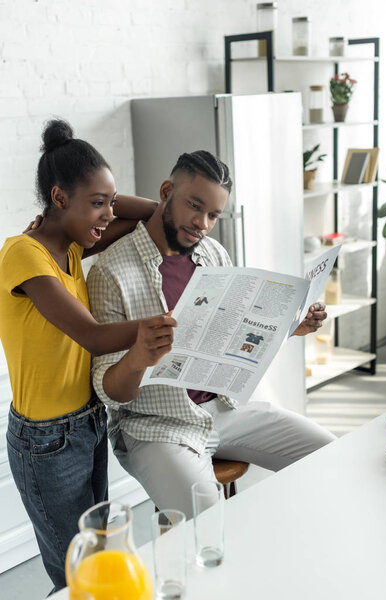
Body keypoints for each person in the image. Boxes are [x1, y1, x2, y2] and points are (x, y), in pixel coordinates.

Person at [87, 150, 336, 519]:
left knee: (332, 455)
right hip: (158, 426)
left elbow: (236, 343)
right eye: (195, 206)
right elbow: (110, 393)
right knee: (210, 525)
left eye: (214, 215)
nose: (202, 223)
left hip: (227, 410)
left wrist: (290, 328)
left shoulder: (214, 255)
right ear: (167, 191)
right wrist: (139, 357)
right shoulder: (110, 272)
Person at [0, 119, 175, 594]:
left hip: (87, 422)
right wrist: (170, 323)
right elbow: (94, 336)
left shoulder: (74, 247)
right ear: (59, 198)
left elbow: (150, 213)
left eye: (108, 203)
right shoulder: (23, 253)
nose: (106, 214)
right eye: (97, 204)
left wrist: (104, 199)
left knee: (96, 554)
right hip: (46, 443)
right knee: (75, 575)